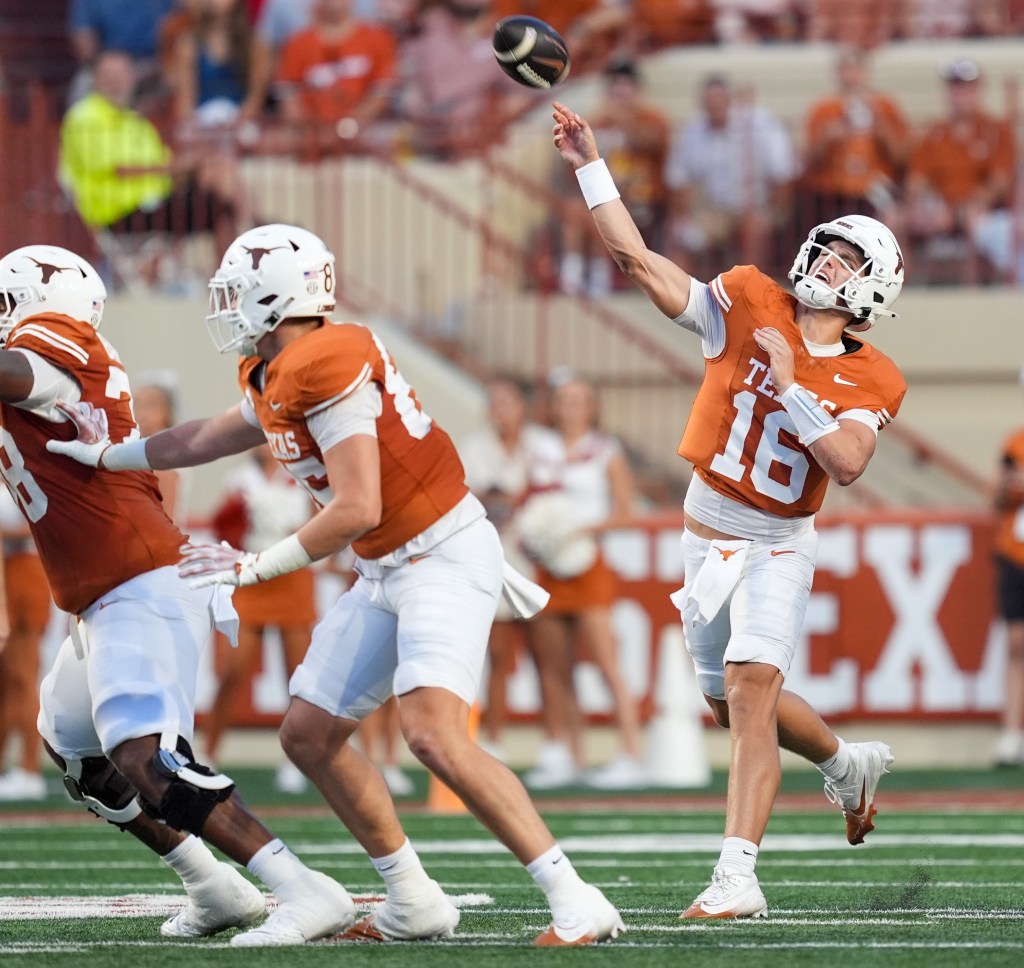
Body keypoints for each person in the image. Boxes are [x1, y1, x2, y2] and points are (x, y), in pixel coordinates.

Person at [50, 223, 625, 946]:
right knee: (309, 734)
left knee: (433, 736)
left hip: (442, 555)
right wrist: (107, 454)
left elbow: (359, 506)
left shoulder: (325, 360)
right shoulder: (277, 368)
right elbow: (205, 437)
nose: (227, 308)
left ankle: (576, 897)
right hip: (389, 565)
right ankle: (414, 900)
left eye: (239, 292)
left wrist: (254, 565)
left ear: (280, 295)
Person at [551, 100, 903, 917]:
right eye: (831, 246)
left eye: (850, 259)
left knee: (749, 688)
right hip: (705, 525)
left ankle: (737, 876)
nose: (829, 259)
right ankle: (847, 765)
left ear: (873, 289)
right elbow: (639, 262)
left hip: (779, 537)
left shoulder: (873, 373)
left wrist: (790, 390)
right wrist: (588, 165)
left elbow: (847, 463)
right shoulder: (748, 298)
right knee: (727, 703)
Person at [0, 243, 355, 946]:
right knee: (76, 751)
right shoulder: (49, 350)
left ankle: (302, 888)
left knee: (146, 756)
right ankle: (212, 883)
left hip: (142, 581)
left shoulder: (62, 342)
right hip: (101, 596)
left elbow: (20, 376)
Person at [519, 372, 645, 790]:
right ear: (553, 406)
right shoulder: (539, 447)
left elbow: (627, 512)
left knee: (607, 662)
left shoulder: (606, 450)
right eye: (565, 400)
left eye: (580, 400)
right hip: (546, 565)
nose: (571, 407)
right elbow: (526, 498)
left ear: (592, 407)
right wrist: (539, 531)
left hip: (587, 564)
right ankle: (567, 754)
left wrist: (580, 530)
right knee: (553, 667)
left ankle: (631, 753)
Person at [203, 445, 318, 794]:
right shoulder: (239, 478)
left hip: (292, 576)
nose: (261, 444)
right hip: (251, 578)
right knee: (234, 669)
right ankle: (208, 754)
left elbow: (319, 522)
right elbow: (224, 528)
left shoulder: (302, 475)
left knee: (298, 677)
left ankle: (294, 761)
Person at [59, 50, 245, 259]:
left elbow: (164, 165)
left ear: (131, 79)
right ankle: (245, 247)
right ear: (95, 80)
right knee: (217, 209)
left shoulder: (133, 119)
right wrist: (176, 166)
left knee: (216, 183)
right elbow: (120, 169)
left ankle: (241, 253)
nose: (116, 82)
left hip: (154, 200)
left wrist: (194, 164)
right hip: (118, 210)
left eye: (121, 75)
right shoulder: (85, 117)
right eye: (109, 75)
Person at [460, 376, 550, 759]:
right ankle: (492, 738)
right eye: (494, 403)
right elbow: (463, 498)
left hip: (539, 559)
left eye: (508, 402)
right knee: (496, 655)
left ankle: (557, 744)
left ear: (522, 407)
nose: (501, 412)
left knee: (548, 655)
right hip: (496, 557)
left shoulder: (542, 447)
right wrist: (494, 498)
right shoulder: (473, 448)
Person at [556, 59, 670, 297]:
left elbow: (652, 143)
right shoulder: (597, 121)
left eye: (626, 87)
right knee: (575, 208)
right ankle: (574, 277)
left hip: (642, 198)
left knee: (604, 207)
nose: (620, 93)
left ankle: (600, 276)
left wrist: (621, 118)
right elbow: (574, 168)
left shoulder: (652, 119)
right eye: (615, 87)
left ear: (637, 91)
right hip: (604, 193)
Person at [664, 74, 796, 280]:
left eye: (719, 100)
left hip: (756, 207)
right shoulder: (693, 131)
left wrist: (774, 211)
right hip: (714, 212)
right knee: (684, 236)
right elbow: (679, 179)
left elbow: (782, 172)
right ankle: (681, 297)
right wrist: (684, 217)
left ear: (730, 100)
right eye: (709, 102)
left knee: (754, 229)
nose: (715, 107)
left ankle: (746, 292)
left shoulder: (759, 125)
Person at [903, 59, 1016, 284]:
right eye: (955, 88)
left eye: (967, 88)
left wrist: (960, 208)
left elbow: (999, 182)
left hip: (983, 209)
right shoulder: (935, 133)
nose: (960, 95)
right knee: (895, 218)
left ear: (977, 91)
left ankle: (971, 289)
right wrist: (923, 203)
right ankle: (901, 287)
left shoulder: (995, 130)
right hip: (941, 206)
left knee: (973, 217)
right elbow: (916, 180)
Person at [801, 46, 909, 226]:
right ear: (837, 73)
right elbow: (809, 160)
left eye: (856, 68)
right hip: (833, 191)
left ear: (866, 71)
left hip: (876, 187)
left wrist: (883, 132)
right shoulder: (823, 109)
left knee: (892, 219)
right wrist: (826, 139)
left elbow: (902, 157)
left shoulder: (885, 106)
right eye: (846, 68)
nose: (851, 75)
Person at [274, 0, 399, 155]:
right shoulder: (298, 41)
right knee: (270, 142)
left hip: (363, 130)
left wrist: (346, 129)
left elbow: (381, 94)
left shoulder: (378, 38)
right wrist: (311, 133)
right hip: (310, 133)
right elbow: (289, 96)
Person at [0, 488, 51, 801]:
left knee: (23, 677)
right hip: (8, 571)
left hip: (23, 570)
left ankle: (30, 767)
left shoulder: (22, 472)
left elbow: (39, 523)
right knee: (7, 680)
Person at [990, 399, 1024, 767]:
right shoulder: (1016, 444)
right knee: (1016, 644)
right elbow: (997, 495)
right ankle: (1012, 732)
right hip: (1016, 551)